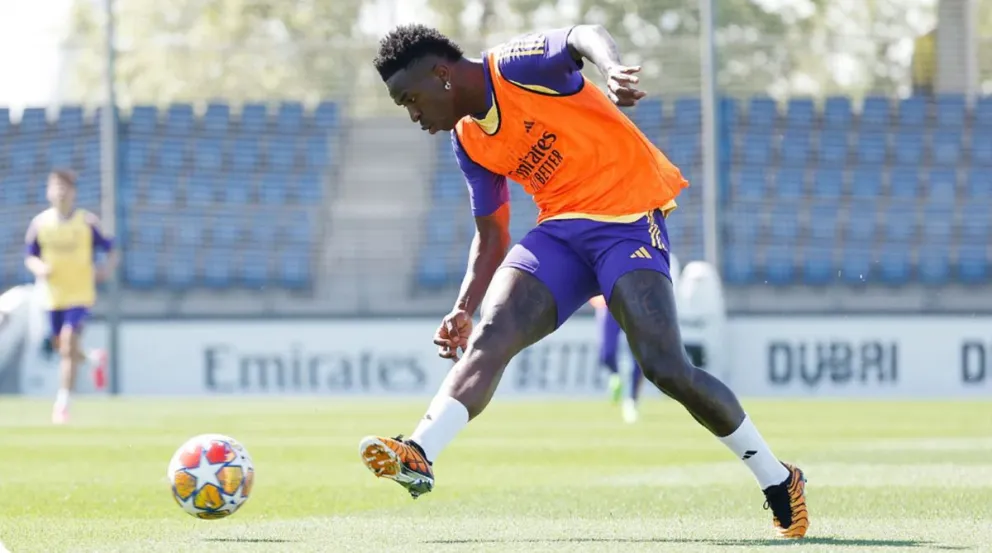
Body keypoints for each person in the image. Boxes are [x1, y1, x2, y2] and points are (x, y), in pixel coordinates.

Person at [358, 24, 809, 538]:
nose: (414, 117)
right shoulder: (468, 142)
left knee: (666, 368)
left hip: (628, 217)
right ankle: (420, 451)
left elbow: (581, 35)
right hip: (562, 232)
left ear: (441, 75)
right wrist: (464, 306)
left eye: (410, 100)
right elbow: (491, 235)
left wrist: (610, 68)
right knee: (491, 332)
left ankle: (778, 479)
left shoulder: (512, 67)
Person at [24, 170, 115, 424]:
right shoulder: (40, 224)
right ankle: (95, 358)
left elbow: (111, 247)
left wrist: (106, 268)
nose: (60, 191)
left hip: (80, 294)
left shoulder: (86, 222)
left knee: (67, 341)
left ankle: (62, 404)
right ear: (48, 191)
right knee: (62, 347)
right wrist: (38, 267)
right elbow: (29, 255)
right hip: (53, 296)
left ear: (73, 192)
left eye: (65, 187)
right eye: (55, 186)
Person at [590, 294, 643, 423]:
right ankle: (616, 377)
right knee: (606, 353)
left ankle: (631, 400)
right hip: (608, 304)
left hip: (634, 303)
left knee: (638, 354)